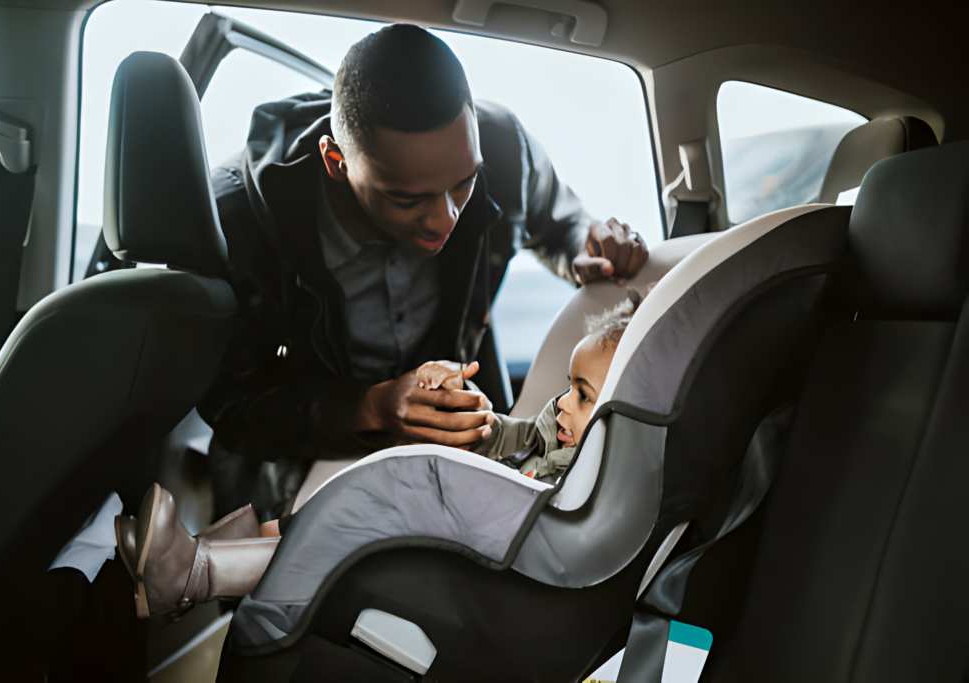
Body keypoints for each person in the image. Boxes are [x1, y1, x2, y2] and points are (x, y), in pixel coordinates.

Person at [198, 23, 650, 521]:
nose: (445, 219)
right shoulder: (237, 220)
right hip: (298, 475)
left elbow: (560, 226)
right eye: (406, 198)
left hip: (465, 451)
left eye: (464, 183)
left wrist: (590, 247)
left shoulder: (503, 149)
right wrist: (371, 408)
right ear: (336, 162)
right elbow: (232, 405)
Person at [117, 293, 646, 618]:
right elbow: (502, 435)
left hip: (471, 556)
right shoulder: (553, 433)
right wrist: (471, 410)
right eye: (570, 388)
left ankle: (192, 576)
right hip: (455, 519)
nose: (563, 406)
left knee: (355, 518)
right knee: (357, 487)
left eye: (582, 395)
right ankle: (193, 556)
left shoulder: (591, 480)